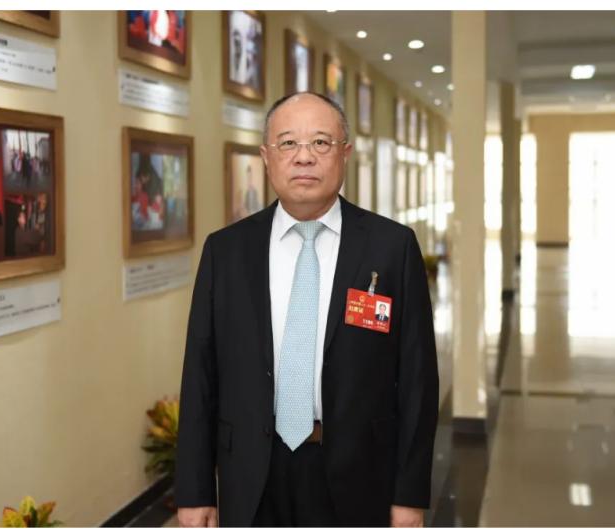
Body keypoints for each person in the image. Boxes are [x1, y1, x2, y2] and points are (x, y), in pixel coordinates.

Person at [175, 92, 438, 527]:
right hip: (252, 471)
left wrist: (409, 495)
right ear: (266, 157)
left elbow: (418, 381)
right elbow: (200, 375)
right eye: (288, 143)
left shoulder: (391, 247)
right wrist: (195, 490)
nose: (304, 157)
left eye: (320, 142)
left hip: (359, 473)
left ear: (345, 153)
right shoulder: (226, 251)